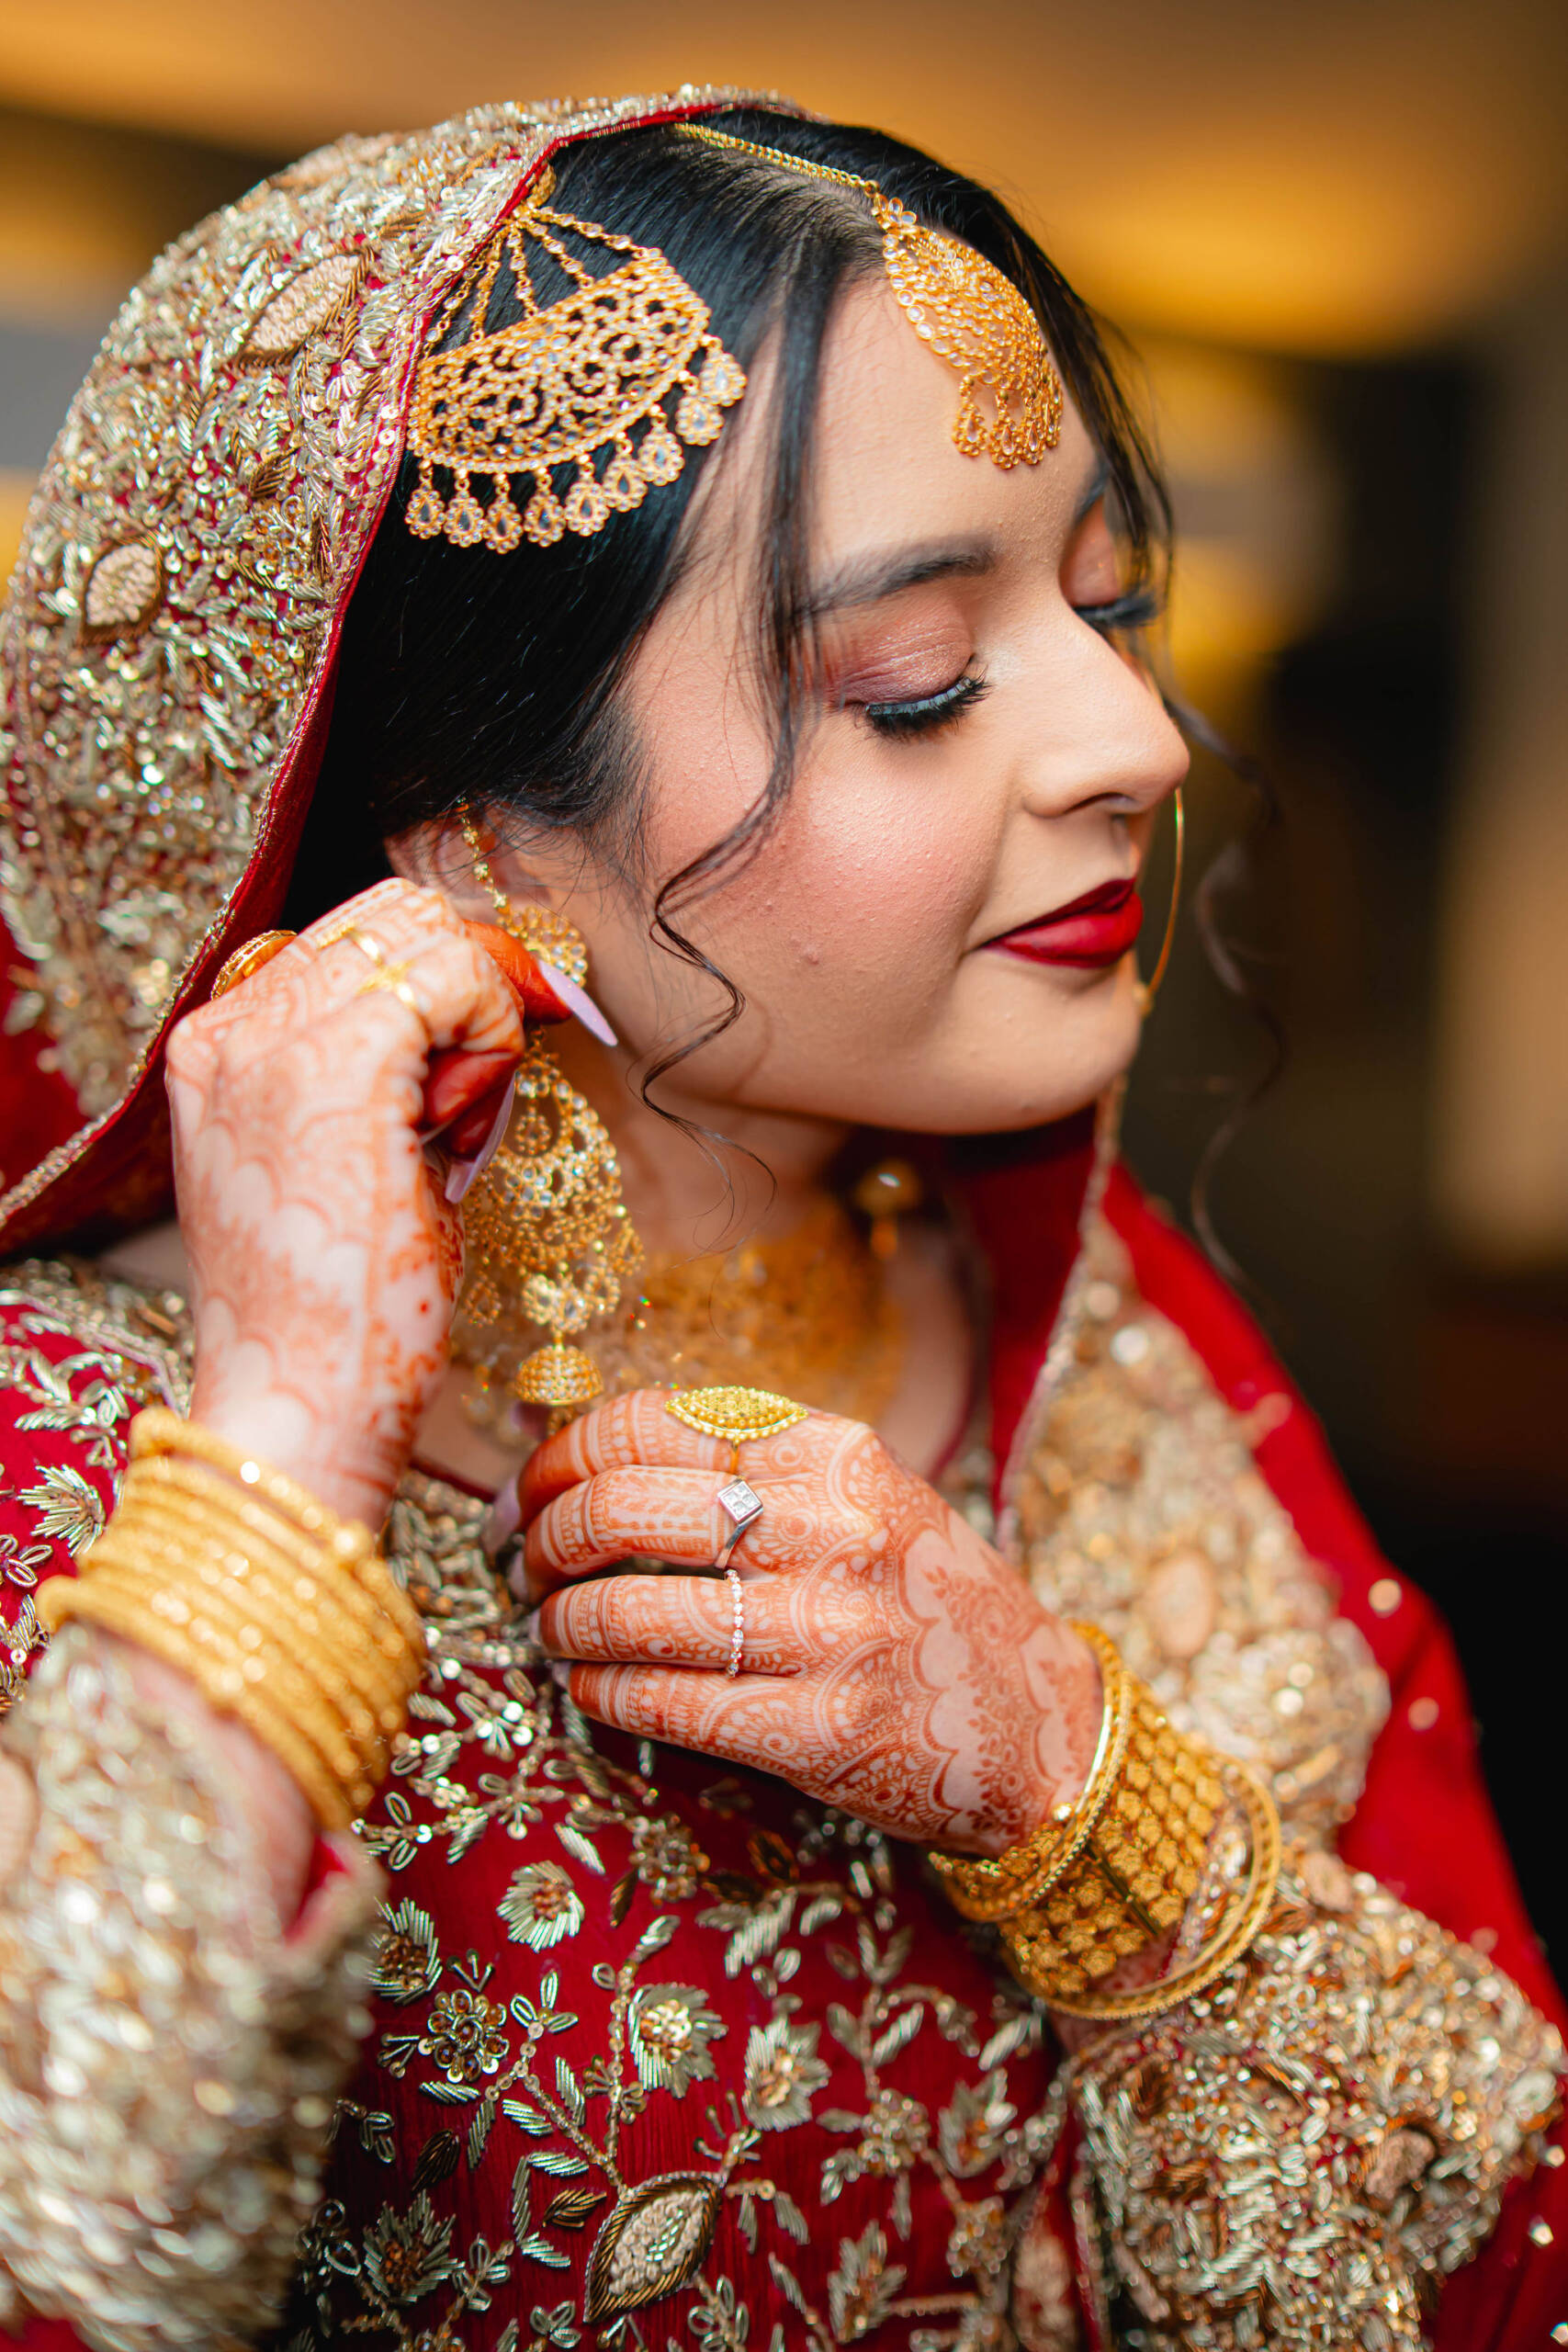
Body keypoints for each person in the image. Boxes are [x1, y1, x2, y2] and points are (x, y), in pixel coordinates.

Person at [0, 87, 1562, 2352]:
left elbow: (1504, 2237)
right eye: (911, 680)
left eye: (1111, 605)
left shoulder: (1117, 1349)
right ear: (470, 844)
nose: (1131, 738)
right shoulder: (68, 1462)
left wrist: (1081, 1791)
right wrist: (279, 1452)